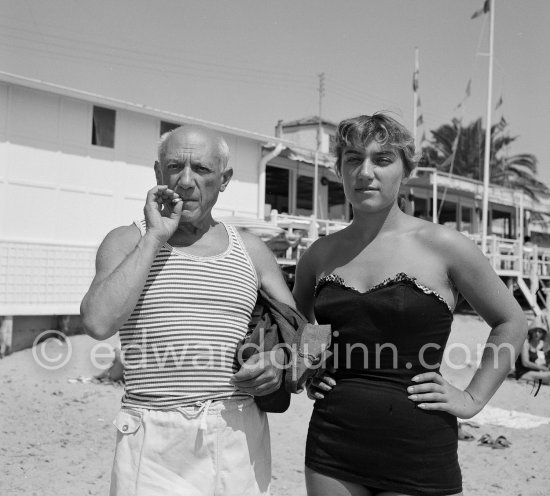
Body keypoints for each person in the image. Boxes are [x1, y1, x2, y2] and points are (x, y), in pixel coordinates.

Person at [292, 113, 527, 496]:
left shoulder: (445, 246)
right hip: (332, 441)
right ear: (339, 169)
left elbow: (511, 321)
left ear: (407, 171)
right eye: (353, 159)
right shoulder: (319, 255)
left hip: (419, 444)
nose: (365, 172)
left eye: (382, 160)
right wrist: (309, 368)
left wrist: (472, 398)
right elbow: (303, 318)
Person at [80, 125, 295, 496]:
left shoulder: (252, 250)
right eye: (175, 167)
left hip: (239, 433)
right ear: (158, 173)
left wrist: (279, 360)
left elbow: (307, 331)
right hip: (152, 435)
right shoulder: (126, 240)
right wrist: (154, 237)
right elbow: (98, 322)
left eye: (202, 170)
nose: (185, 180)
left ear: (224, 179)